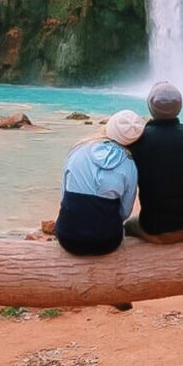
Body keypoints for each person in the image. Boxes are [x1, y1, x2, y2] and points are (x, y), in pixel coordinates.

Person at [126, 82, 183, 311]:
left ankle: (122, 290)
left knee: (126, 228)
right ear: (180, 107)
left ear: (150, 107)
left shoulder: (139, 142)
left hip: (154, 227)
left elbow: (130, 183)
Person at [54, 109, 145, 256]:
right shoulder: (130, 165)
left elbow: (64, 197)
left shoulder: (79, 150)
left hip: (67, 238)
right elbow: (125, 211)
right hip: (107, 242)